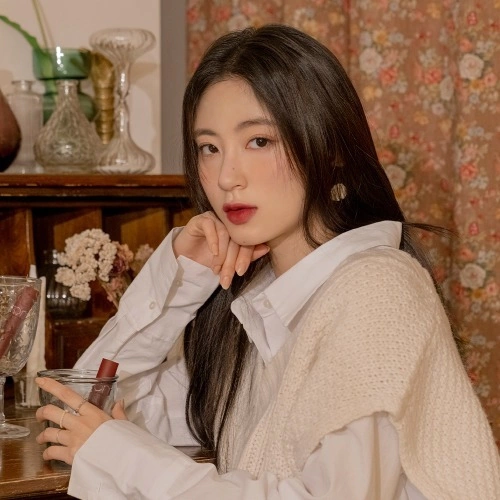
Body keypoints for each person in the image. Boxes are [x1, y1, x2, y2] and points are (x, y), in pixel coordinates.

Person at [35, 24, 500, 499]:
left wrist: (120, 455)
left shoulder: (377, 291)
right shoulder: (254, 304)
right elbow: (83, 407)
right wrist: (180, 274)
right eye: (209, 148)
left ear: (331, 149)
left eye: (259, 141)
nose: (227, 177)